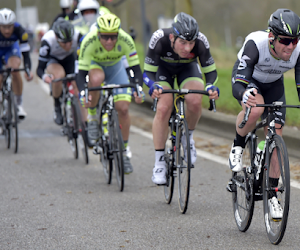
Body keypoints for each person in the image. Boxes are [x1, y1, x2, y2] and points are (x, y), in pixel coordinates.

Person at [228, 8, 300, 220]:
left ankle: (272, 195)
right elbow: (239, 81)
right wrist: (243, 94)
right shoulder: (255, 43)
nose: (291, 46)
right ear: (272, 37)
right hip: (249, 80)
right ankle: (238, 144)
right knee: (256, 108)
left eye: (295, 40)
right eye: (286, 40)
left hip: (274, 85)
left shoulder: (298, 50)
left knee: (277, 130)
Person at [143, 12, 219, 185]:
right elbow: (147, 72)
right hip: (163, 71)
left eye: (191, 43)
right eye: (183, 43)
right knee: (164, 107)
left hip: (188, 69)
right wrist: (152, 85)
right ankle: (159, 161)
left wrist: (210, 87)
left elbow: (211, 72)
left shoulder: (201, 41)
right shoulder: (159, 38)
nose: (187, 48)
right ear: (172, 37)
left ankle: (188, 138)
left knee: (195, 99)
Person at [76, 13, 145, 174]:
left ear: (118, 34)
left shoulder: (126, 39)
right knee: (96, 78)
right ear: (98, 34)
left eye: (113, 37)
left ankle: (124, 151)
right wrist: (82, 93)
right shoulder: (89, 41)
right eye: (105, 37)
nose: (109, 41)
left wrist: (138, 89)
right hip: (96, 66)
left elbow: (135, 70)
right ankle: (93, 117)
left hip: (116, 68)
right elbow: (81, 74)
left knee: (123, 109)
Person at [36, 18, 82, 125]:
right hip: (54, 60)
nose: (68, 46)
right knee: (58, 76)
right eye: (64, 42)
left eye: (70, 42)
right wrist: (45, 77)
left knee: (77, 82)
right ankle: (57, 105)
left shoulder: (78, 35)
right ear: (56, 37)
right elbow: (39, 69)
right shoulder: (47, 40)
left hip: (70, 58)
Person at [0, 8, 33, 119]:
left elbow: (26, 53)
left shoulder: (20, 31)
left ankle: (19, 104)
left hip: (11, 49)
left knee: (14, 69)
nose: (7, 31)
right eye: (3, 27)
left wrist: (28, 70)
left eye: (9, 26)